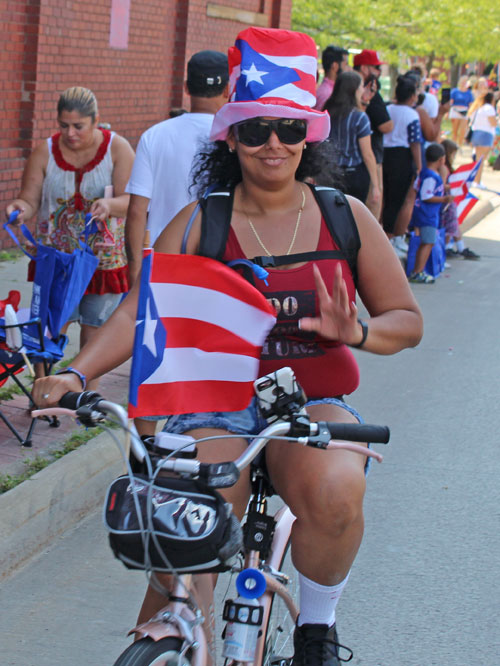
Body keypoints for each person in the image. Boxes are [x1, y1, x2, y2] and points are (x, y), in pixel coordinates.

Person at [33, 27, 423, 666]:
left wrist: (354, 331)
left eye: (290, 129)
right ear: (230, 136)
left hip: (309, 403)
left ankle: (316, 632)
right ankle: (184, 629)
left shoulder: (345, 216)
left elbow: (406, 320)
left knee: (336, 491)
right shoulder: (200, 220)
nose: (273, 142)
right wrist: (75, 373)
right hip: (213, 403)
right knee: (192, 505)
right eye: (256, 129)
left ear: (310, 137)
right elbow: (140, 311)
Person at [5, 86, 135, 389]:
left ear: (95, 120)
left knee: (96, 329)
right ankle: (44, 388)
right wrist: (19, 209)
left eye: (78, 126)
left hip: (102, 260)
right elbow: (30, 199)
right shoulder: (45, 151)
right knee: (48, 327)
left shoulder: (118, 149)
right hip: (57, 259)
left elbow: (134, 200)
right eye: (63, 125)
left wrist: (110, 205)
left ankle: (87, 393)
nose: (70, 133)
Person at [125, 50, 229, 286]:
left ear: (186, 87)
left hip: (161, 262)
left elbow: (136, 211)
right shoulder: (235, 139)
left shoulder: (154, 136)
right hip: (217, 263)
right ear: (227, 90)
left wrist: (135, 271)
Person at [324, 71, 380, 206]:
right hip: (355, 175)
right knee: (354, 217)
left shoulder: (327, 113)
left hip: (331, 173)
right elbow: (367, 154)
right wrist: (376, 185)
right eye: (361, 86)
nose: (363, 89)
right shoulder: (360, 117)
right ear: (354, 89)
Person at [382, 76, 422, 255]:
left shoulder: (387, 108)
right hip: (402, 158)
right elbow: (415, 142)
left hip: (384, 155)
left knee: (384, 198)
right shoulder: (412, 114)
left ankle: (385, 236)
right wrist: (419, 165)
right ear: (412, 96)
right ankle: (390, 239)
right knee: (396, 200)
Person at [352, 49, 393, 221]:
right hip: (364, 159)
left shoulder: (356, 88)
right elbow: (386, 126)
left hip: (356, 160)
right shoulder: (363, 90)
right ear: (364, 68)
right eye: (375, 67)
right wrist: (376, 185)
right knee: (369, 212)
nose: (378, 72)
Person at [408, 143, 453, 284]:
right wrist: (444, 198)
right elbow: (426, 195)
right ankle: (417, 272)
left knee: (428, 242)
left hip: (428, 215)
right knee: (428, 242)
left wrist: (444, 188)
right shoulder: (430, 177)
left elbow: (419, 188)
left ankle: (418, 271)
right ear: (441, 160)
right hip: (427, 215)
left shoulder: (428, 175)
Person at [440, 139, 480, 260]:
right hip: (444, 201)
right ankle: (446, 248)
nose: (454, 157)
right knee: (449, 226)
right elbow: (441, 185)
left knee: (453, 224)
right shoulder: (443, 168)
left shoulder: (446, 168)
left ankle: (460, 247)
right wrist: (454, 185)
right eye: (453, 154)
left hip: (448, 201)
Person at [469, 91, 497, 185]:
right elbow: (493, 123)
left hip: (476, 134)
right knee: (481, 160)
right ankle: (477, 181)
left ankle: (475, 180)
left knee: (477, 159)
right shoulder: (489, 108)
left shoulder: (478, 108)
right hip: (485, 135)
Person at [314, 45, 349, 111]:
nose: (349, 68)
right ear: (335, 66)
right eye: (346, 64)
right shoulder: (327, 94)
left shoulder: (330, 90)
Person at [449, 75, 474, 147]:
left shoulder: (469, 93)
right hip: (455, 110)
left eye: (465, 82)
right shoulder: (455, 91)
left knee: (462, 130)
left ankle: (460, 145)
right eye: (463, 82)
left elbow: (470, 104)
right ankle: (453, 146)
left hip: (464, 111)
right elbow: (451, 102)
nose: (464, 83)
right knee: (455, 131)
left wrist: (470, 113)